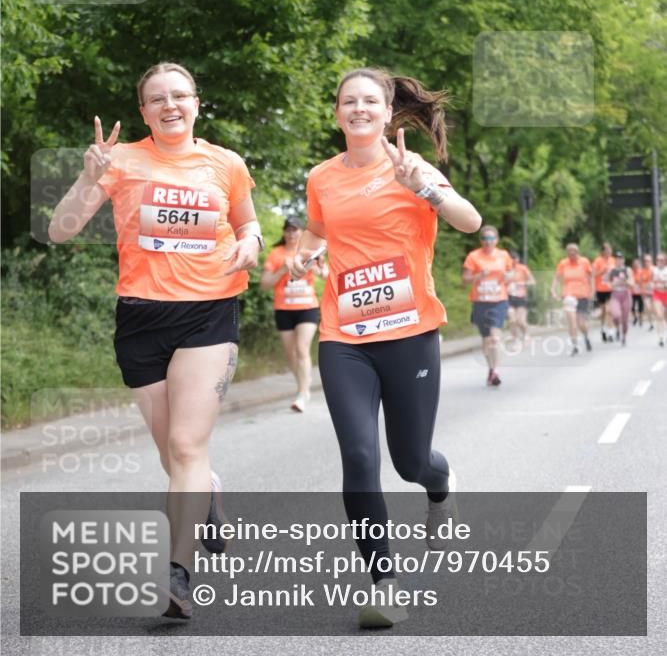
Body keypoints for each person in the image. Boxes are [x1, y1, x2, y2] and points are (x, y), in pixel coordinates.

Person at [48, 62, 263, 619]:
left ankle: (178, 574)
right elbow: (60, 229)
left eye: (179, 95)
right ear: (143, 111)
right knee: (174, 454)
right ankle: (207, 492)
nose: (170, 105)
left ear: (196, 102)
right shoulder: (120, 161)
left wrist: (253, 242)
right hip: (141, 319)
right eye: (156, 99)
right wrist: (86, 177)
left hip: (209, 314)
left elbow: (248, 223)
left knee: (187, 446)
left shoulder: (225, 163)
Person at [290, 68, 481, 629]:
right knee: (359, 458)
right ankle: (383, 582)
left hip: (411, 334)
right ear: (337, 113)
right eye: (348, 101)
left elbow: (470, 222)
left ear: (388, 111)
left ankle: (440, 487)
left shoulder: (412, 167)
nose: (358, 109)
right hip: (345, 338)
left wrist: (421, 185)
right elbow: (319, 231)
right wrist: (305, 253)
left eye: (369, 101)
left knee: (411, 461)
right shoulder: (321, 177)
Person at [260, 215, 327, 412]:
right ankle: (302, 386)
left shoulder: (309, 252)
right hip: (284, 310)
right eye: (288, 229)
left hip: (307, 308)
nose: (291, 233)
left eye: (295, 229)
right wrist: (281, 270)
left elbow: (327, 275)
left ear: (301, 232)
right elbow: (264, 285)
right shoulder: (276, 254)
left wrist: (317, 269)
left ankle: (303, 393)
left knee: (301, 348)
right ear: (284, 232)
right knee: (291, 354)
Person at [462, 226, 514, 386]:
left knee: (494, 337)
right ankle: (491, 369)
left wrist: (508, 276)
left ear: (496, 240)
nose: (488, 242)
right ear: (481, 240)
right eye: (485, 239)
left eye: (491, 239)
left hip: (499, 301)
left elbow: (511, 273)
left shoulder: (503, 255)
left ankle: (495, 370)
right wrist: (478, 276)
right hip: (480, 302)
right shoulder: (473, 256)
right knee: (486, 340)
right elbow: (464, 281)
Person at [551, 244, 594, 355]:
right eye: (569, 252)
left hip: (582, 295)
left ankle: (586, 337)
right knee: (572, 322)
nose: (571, 255)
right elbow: (556, 278)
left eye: (573, 252)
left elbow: (591, 277)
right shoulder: (563, 263)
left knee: (581, 324)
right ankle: (575, 345)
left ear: (577, 252)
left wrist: (592, 291)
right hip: (568, 295)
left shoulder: (584, 262)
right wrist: (553, 290)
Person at [506, 249, 535, 347]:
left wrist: (522, 283)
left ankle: (527, 335)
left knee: (520, 320)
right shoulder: (505, 269)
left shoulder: (523, 268)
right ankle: (515, 339)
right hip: (509, 296)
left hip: (521, 297)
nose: (514, 261)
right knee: (512, 319)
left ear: (518, 259)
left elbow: (532, 281)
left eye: (515, 259)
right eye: (511, 259)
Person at [604, 252, 634, 346]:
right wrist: (613, 284)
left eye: (620, 258)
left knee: (625, 320)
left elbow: (632, 284)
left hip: (626, 294)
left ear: (623, 260)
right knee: (616, 315)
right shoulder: (612, 271)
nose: (619, 260)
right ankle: (617, 328)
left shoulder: (627, 270)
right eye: (617, 258)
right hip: (616, 294)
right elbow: (607, 283)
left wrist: (624, 281)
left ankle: (623, 336)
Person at [592, 242, 614, 341]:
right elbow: (592, 274)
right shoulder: (597, 261)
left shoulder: (613, 260)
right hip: (600, 289)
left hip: (611, 289)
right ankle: (603, 328)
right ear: (603, 251)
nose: (609, 251)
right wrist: (602, 271)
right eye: (607, 250)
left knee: (609, 310)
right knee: (603, 311)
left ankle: (610, 332)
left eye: (610, 249)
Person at [651, 252, 667, 348]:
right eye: (658, 260)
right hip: (657, 294)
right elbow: (651, 282)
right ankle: (660, 337)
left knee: (665, 317)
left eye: (661, 260)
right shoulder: (654, 270)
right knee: (659, 315)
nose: (659, 262)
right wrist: (654, 285)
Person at [631, 257, 648, 326]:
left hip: (640, 291)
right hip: (632, 292)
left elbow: (644, 279)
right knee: (632, 306)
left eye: (637, 264)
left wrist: (641, 280)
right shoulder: (631, 272)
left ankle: (640, 319)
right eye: (634, 264)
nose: (636, 265)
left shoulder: (641, 271)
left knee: (641, 306)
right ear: (633, 265)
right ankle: (635, 317)